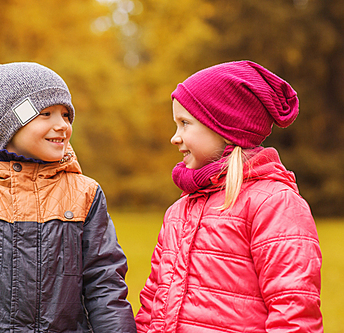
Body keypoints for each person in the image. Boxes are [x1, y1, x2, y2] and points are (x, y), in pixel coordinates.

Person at [0, 62, 137, 333]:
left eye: (66, 115)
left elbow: (104, 285)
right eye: (45, 114)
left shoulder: (85, 193)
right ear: (9, 124)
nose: (62, 126)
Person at [135, 60, 323, 332]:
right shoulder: (179, 210)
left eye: (185, 123)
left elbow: (293, 310)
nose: (174, 138)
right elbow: (153, 300)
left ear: (224, 127)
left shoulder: (274, 204)